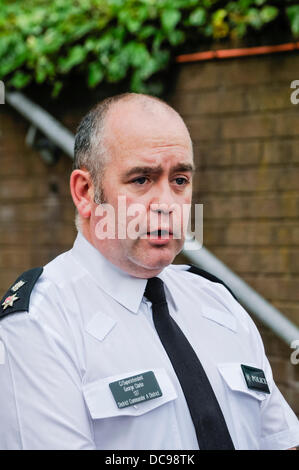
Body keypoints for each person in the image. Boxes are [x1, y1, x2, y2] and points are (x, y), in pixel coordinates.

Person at [0, 93, 298, 450]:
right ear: (85, 191)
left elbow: (281, 439)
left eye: (180, 180)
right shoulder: (42, 323)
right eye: (141, 180)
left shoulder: (217, 301)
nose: (168, 205)